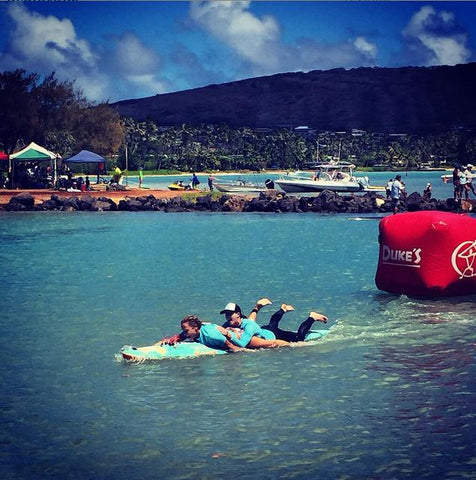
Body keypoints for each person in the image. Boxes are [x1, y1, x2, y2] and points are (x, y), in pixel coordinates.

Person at [219, 300, 328, 347]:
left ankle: (312, 317)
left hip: (273, 335)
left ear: (238, 314)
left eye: (229, 314)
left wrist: (229, 335)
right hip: (264, 329)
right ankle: (283, 309)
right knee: (273, 323)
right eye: (226, 314)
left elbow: (242, 343)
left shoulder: (249, 325)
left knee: (299, 337)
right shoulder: (228, 323)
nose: (227, 317)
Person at [179, 315, 243, 352]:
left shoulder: (212, 336)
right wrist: (175, 339)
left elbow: (234, 348)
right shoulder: (192, 332)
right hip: (226, 330)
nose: (184, 334)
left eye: (186, 331)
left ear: (195, 328)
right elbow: (181, 336)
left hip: (239, 335)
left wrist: (248, 352)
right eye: (183, 331)